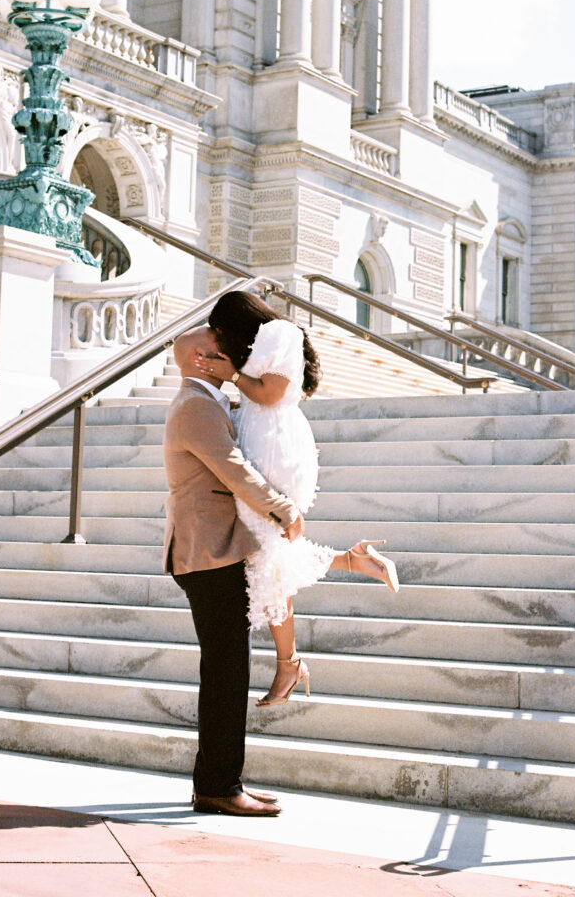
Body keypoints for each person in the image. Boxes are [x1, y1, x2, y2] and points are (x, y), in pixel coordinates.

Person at [195, 291, 399, 707]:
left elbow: (270, 393)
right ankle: (351, 561)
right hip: (262, 443)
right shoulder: (268, 338)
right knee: (269, 559)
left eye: (222, 330)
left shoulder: (281, 331)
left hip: (276, 451)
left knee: (268, 563)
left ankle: (289, 663)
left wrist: (232, 375)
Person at [163, 325, 305, 817]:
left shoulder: (210, 401)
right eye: (222, 344)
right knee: (226, 673)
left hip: (216, 550)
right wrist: (283, 508)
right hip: (208, 552)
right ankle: (220, 787)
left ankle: (220, 781)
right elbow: (233, 468)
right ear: (203, 357)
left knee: (226, 671)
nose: (235, 350)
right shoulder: (196, 405)